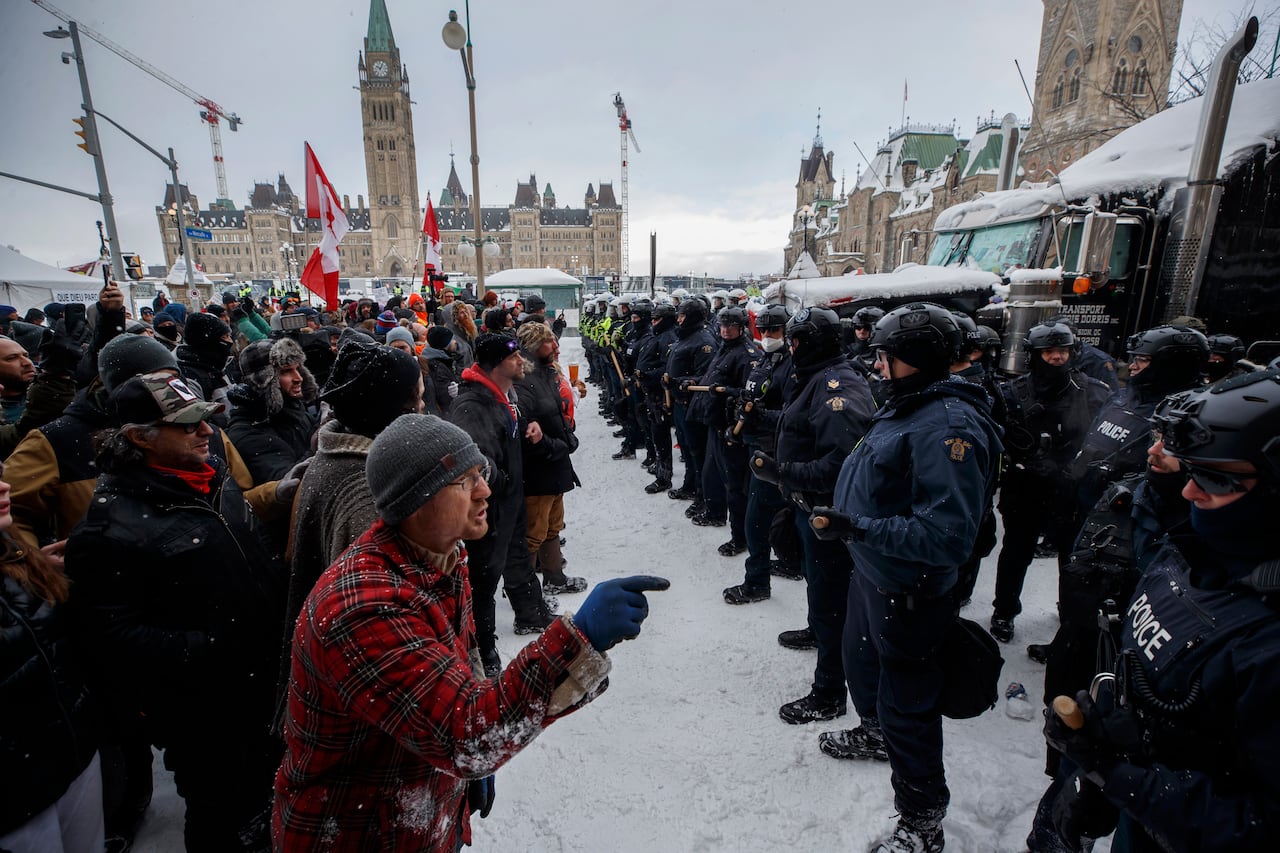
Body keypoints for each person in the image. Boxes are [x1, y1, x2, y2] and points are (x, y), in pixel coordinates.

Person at [273, 414, 668, 850]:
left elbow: (450, 689)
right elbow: (466, 733)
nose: (485, 489)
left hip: (415, 813)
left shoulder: (438, 557)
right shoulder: (365, 606)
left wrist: (453, 780)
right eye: (464, 481)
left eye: (480, 473)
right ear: (414, 500)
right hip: (354, 835)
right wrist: (580, 640)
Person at [1042, 367, 1280, 852]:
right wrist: (1102, 760)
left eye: (1215, 478)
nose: (1190, 491)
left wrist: (1121, 777)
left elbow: (1261, 827)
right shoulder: (1194, 549)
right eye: (1193, 471)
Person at [66, 372, 286, 852]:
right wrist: (212, 647)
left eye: (204, 420)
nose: (206, 432)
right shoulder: (111, 527)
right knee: (223, 821)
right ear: (139, 438)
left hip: (263, 692)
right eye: (188, 426)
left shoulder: (214, 482)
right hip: (206, 716)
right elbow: (110, 638)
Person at [812, 302, 1002, 853]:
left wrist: (859, 526)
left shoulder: (947, 424)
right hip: (873, 574)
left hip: (910, 589)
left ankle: (922, 819)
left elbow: (946, 536)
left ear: (915, 361)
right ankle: (875, 734)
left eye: (886, 356)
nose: (876, 366)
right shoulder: (908, 406)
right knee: (864, 668)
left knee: (909, 705)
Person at [749, 306, 873, 722]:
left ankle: (829, 693)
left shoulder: (836, 386)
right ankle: (817, 632)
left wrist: (783, 472)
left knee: (833, 604)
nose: (789, 346)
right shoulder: (813, 378)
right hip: (808, 507)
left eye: (796, 341)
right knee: (820, 594)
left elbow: (842, 464)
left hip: (829, 515)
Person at [0, 470, 103, 853]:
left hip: (70, 755)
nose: (5, 484)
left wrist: (32, 576)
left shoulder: (16, 557)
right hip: (17, 798)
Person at [988, 322, 1110, 643]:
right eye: (1049, 352)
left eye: (1063, 351)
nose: (1056, 358)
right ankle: (1004, 610)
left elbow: (1107, 440)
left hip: (1071, 491)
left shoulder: (1093, 391)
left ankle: (1069, 611)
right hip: (1026, 488)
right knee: (1016, 553)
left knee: (1071, 559)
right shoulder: (1011, 393)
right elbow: (996, 440)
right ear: (1035, 354)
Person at [449, 333, 552, 671]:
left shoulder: (504, 395)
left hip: (510, 502)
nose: (521, 362)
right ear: (496, 365)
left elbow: (507, 430)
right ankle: (484, 649)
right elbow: (475, 460)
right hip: (489, 510)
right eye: (513, 358)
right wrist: (502, 483)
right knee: (484, 579)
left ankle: (530, 611)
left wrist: (529, 426)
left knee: (518, 556)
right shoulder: (472, 404)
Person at [723, 303, 794, 604]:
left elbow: (792, 417)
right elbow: (750, 398)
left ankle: (757, 582)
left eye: (773, 330)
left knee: (757, 520)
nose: (766, 335)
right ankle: (790, 562)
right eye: (762, 330)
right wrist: (738, 416)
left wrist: (760, 416)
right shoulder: (764, 361)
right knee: (773, 515)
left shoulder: (792, 368)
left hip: (773, 452)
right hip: (753, 445)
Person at [514, 321, 586, 596]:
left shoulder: (544, 373)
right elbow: (526, 430)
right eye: (549, 342)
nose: (556, 346)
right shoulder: (523, 381)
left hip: (554, 465)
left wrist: (565, 438)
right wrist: (553, 444)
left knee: (553, 524)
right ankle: (527, 595)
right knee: (533, 531)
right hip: (538, 470)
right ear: (533, 346)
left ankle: (555, 577)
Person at [686, 306, 758, 551]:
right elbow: (711, 377)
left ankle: (740, 537)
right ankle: (715, 512)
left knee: (735, 486)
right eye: (723, 326)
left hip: (731, 429)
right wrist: (696, 382)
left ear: (742, 328)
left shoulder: (748, 355)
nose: (726, 330)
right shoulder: (725, 349)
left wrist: (728, 393)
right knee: (711, 474)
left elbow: (752, 394)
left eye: (731, 326)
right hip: (715, 423)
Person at [226, 337, 319, 484]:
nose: (299, 378)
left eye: (298, 368)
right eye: (286, 371)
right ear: (265, 380)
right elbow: (289, 483)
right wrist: (321, 441)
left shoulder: (293, 410)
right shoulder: (248, 433)